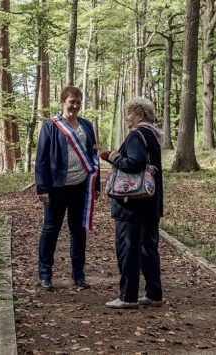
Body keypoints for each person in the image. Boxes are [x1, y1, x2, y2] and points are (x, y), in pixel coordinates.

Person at [98, 96, 164, 309]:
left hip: (132, 204)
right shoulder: (153, 135)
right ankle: (154, 294)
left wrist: (113, 156)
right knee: (148, 250)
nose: (127, 117)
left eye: (130, 113)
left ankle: (128, 296)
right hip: (150, 203)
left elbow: (134, 163)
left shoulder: (137, 135)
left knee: (128, 250)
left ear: (140, 115)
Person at [35, 86, 100, 291]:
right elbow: (41, 159)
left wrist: (95, 185)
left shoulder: (87, 125)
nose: (75, 106)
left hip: (81, 186)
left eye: (78, 102)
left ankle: (78, 273)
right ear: (63, 101)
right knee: (51, 229)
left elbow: (93, 157)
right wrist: (42, 188)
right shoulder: (50, 126)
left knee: (78, 230)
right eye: (71, 101)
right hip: (56, 187)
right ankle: (45, 274)